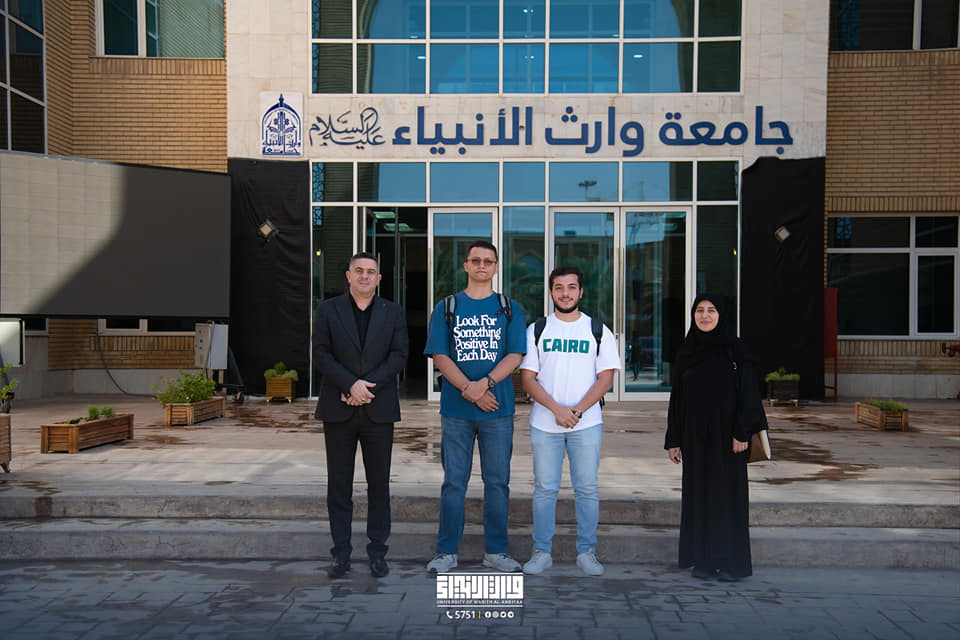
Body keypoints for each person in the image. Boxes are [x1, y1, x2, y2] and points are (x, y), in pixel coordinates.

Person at [423, 240, 526, 573]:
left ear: (496, 267)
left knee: (497, 483)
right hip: (457, 412)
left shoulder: (510, 308)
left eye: (488, 261)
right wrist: (470, 389)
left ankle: (496, 552)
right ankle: (446, 553)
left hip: (498, 411)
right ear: (466, 265)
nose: (482, 265)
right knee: (454, 482)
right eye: (476, 260)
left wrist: (485, 385)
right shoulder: (447, 307)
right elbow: (440, 355)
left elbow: (515, 355)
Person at [518, 266, 621, 577]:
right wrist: (557, 410)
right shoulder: (537, 329)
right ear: (551, 292)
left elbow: (605, 379)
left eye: (571, 287)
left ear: (581, 292)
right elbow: (527, 379)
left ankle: (586, 552)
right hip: (544, 424)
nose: (565, 293)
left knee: (587, 488)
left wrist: (575, 411)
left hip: (586, 425)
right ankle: (541, 552)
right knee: (545, 489)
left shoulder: (597, 330)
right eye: (559, 287)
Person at [313, 252, 409, 579]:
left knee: (378, 485)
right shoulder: (328, 310)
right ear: (348, 275)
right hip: (338, 409)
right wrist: (349, 384)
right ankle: (340, 553)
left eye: (371, 272)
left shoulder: (392, 312)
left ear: (379, 279)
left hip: (378, 411)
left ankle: (377, 552)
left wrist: (365, 388)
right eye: (359, 270)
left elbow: (399, 355)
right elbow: (321, 352)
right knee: (338, 485)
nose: (365, 276)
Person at [664, 292, 767, 582]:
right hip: (695, 439)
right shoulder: (687, 351)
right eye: (700, 310)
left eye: (711, 310)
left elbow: (749, 393)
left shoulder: (735, 349)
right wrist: (674, 439)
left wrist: (742, 431)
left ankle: (732, 564)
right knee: (699, 497)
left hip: (729, 439)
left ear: (721, 315)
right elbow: (677, 399)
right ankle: (705, 561)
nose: (705, 316)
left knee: (727, 499)